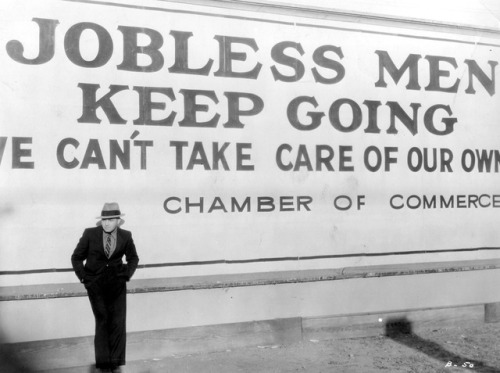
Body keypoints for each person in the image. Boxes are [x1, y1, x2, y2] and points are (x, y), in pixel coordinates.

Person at [71, 202, 139, 373]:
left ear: (118, 220)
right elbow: (76, 257)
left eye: (110, 220)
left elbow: (133, 258)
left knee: (117, 323)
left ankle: (115, 364)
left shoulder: (126, 236)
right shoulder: (90, 234)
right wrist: (85, 278)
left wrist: (126, 274)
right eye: (104, 220)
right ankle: (103, 366)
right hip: (96, 286)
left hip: (117, 285)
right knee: (102, 321)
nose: (106, 223)